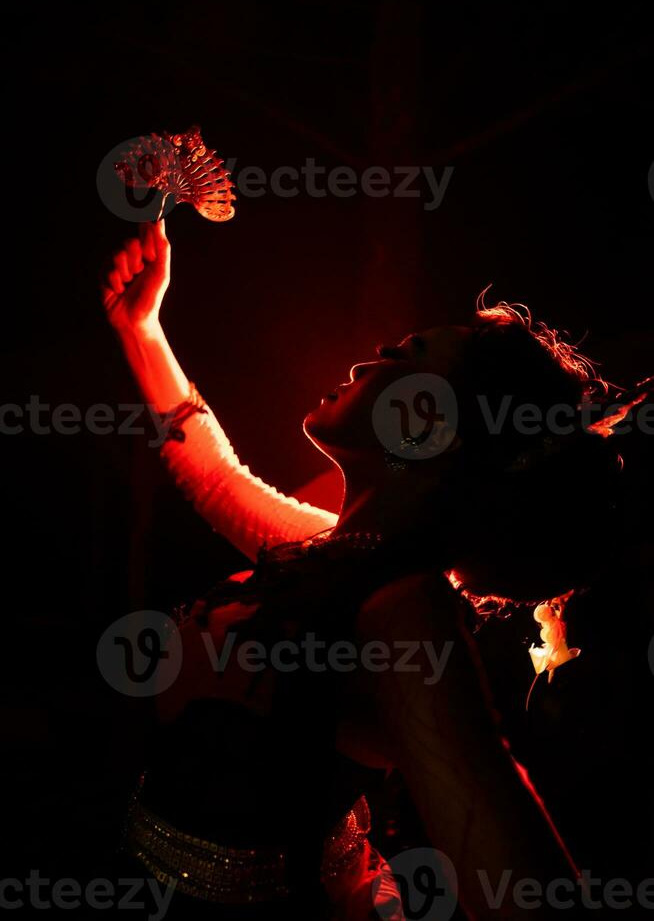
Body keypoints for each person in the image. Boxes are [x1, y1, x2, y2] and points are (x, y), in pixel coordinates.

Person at [101, 219, 625, 919]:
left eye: (404, 355)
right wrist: (143, 328)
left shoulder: (404, 610)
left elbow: (525, 894)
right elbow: (216, 480)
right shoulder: (333, 554)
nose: (368, 358)